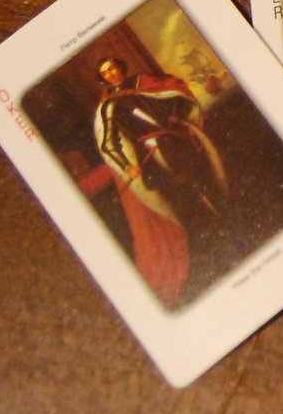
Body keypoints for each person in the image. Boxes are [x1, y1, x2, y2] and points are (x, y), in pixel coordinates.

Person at [91, 57, 229, 305]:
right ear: (103, 79)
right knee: (185, 199)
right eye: (105, 73)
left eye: (112, 68)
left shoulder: (146, 83)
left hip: (178, 141)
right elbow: (108, 144)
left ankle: (225, 221)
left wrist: (176, 118)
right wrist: (127, 166)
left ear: (120, 67)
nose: (111, 73)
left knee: (206, 179)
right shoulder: (109, 106)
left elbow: (176, 98)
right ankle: (210, 240)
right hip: (152, 154)